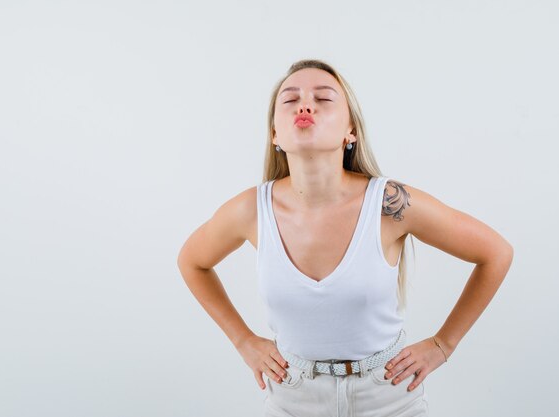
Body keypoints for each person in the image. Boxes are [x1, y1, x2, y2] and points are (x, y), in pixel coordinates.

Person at [177, 59, 513, 416]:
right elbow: (192, 262)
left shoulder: (388, 203)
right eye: (290, 100)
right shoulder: (251, 211)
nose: (305, 105)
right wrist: (243, 340)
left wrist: (443, 345)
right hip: (293, 398)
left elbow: (495, 253)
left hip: (388, 397)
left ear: (350, 131)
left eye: (323, 99)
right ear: (275, 133)